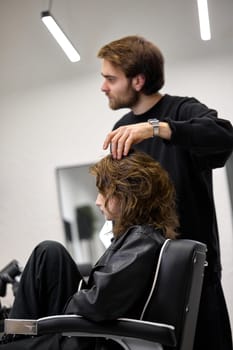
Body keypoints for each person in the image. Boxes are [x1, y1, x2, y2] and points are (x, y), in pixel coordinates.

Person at [97, 35, 233, 350]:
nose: (103, 87)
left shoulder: (183, 110)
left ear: (139, 80)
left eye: (110, 78)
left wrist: (157, 128)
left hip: (195, 273)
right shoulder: (122, 128)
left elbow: (224, 137)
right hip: (144, 276)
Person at [0, 150, 179, 349]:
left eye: (103, 192)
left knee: (46, 253)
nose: (97, 201)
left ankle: (12, 335)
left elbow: (99, 303)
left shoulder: (141, 239)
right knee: (50, 253)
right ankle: (13, 333)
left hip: (95, 338)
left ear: (128, 195)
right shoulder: (138, 237)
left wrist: (55, 300)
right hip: (91, 330)